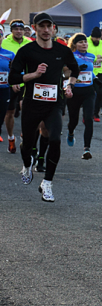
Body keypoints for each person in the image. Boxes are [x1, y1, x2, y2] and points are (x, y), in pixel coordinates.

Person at [8, 13, 79, 202]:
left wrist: (69, 84)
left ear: (54, 28)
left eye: (49, 26)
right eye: (42, 27)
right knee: (28, 143)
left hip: (54, 104)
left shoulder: (62, 51)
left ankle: (47, 183)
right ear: (34, 28)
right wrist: (34, 75)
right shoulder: (27, 51)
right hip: (32, 103)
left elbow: (74, 69)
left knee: (55, 139)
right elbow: (13, 78)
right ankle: (26, 164)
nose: (46, 30)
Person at [2, 19, 32, 153]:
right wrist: (13, 81)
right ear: (11, 30)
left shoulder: (30, 42)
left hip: (26, 81)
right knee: (10, 112)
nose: (19, 31)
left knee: (26, 108)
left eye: (21, 29)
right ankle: (10, 137)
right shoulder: (5, 43)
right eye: (15, 29)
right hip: (10, 83)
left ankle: (25, 134)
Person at [66, 34, 98, 159]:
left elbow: (90, 71)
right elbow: (66, 72)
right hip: (74, 91)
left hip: (88, 91)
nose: (84, 44)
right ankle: (70, 132)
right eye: (80, 42)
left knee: (89, 119)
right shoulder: (70, 56)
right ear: (74, 45)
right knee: (74, 120)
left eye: (85, 42)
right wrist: (77, 69)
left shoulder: (91, 56)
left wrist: (95, 79)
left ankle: (86, 149)